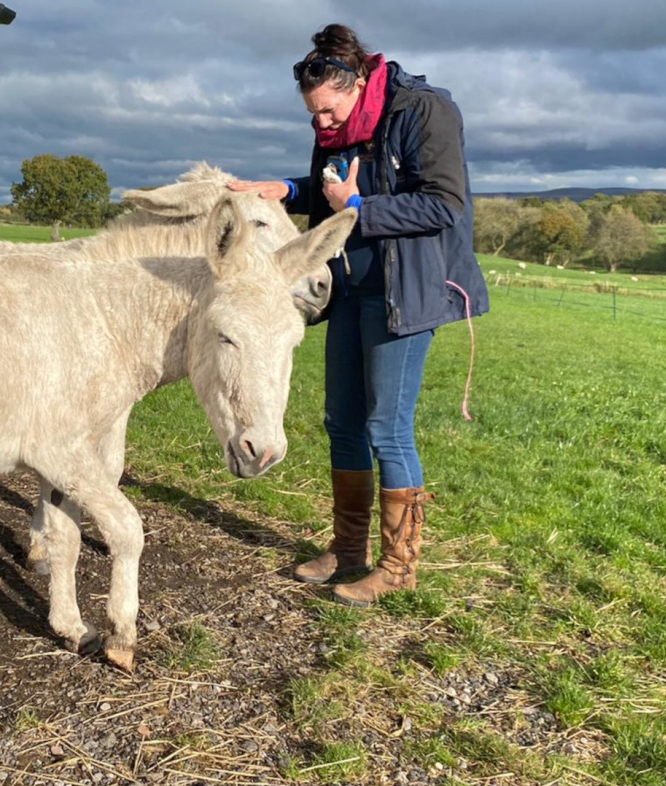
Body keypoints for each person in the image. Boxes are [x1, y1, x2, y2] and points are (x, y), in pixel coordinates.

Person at [229, 24, 488, 607]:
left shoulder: (425, 110)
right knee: (340, 422)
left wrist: (361, 208)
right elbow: (329, 194)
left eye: (328, 111)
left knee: (386, 428)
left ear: (359, 83)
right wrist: (288, 191)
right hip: (348, 288)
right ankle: (348, 551)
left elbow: (445, 203)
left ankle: (399, 567)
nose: (321, 124)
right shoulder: (337, 128)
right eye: (313, 115)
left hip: (407, 292)